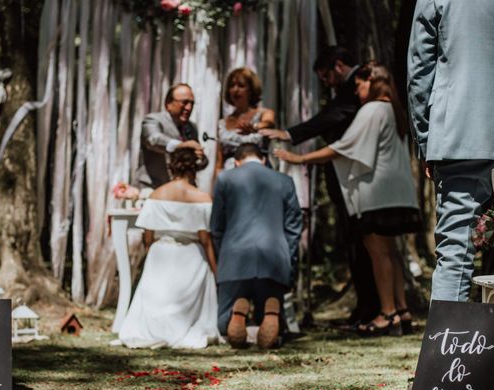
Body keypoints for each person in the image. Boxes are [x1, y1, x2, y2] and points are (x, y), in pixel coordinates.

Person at [275, 64, 420, 336]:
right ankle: (402, 310)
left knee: (377, 252)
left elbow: (346, 146)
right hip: (397, 192)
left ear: (372, 81)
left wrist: (301, 158)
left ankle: (386, 313)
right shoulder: (395, 110)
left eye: (359, 86)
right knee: (392, 252)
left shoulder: (373, 109)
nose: (357, 92)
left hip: (377, 193)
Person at [408, 0, 494, 303]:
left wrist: (425, 140)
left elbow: (420, 71)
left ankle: (449, 347)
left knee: (455, 251)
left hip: (459, 133)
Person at [260, 46, 380, 327]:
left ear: (338, 66)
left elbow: (332, 117)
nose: (325, 83)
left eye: (325, 76)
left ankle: (371, 307)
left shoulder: (357, 87)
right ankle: (365, 306)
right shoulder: (348, 91)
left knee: (362, 244)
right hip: (345, 176)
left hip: (355, 176)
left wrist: (291, 135)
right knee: (353, 243)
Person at [117, 148, 220, 349]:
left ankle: (154, 330)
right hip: (191, 255)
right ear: (194, 169)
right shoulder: (203, 199)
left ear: (172, 167)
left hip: (160, 253)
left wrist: (153, 256)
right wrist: (216, 271)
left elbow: (148, 237)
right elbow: (206, 241)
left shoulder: (156, 195)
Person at [211, 143, 302, 349]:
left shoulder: (225, 178)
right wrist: (290, 265)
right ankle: (269, 317)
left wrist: (221, 258)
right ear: (263, 160)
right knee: (269, 306)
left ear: (236, 162)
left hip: (235, 257)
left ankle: (235, 315)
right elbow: (294, 228)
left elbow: (216, 227)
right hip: (274, 258)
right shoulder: (284, 181)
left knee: (223, 323)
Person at [137, 83, 206, 188]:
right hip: (152, 188)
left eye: (192, 103)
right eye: (185, 102)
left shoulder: (192, 128)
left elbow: (198, 163)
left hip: (179, 191)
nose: (189, 108)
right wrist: (181, 146)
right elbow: (153, 140)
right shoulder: (153, 120)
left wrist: (200, 158)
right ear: (168, 103)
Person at [215, 67, 274, 174]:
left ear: (251, 90)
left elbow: (269, 124)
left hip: (257, 173)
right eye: (232, 86)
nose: (235, 90)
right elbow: (219, 161)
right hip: (230, 175)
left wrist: (254, 127)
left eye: (241, 86)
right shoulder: (222, 123)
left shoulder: (264, 113)